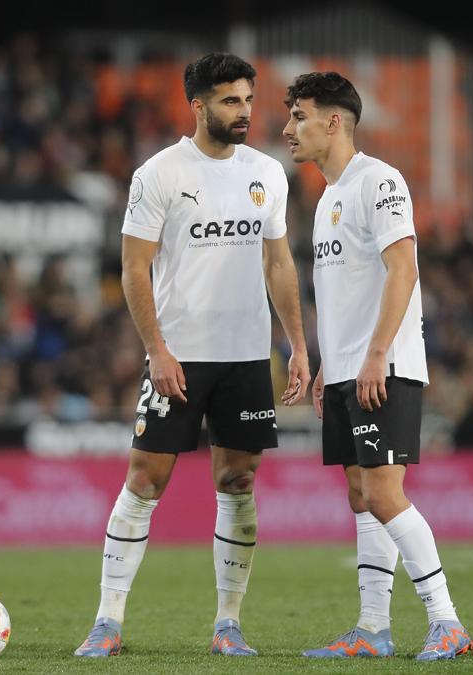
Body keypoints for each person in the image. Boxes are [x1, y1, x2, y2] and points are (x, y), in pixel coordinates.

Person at [74, 53, 310, 658]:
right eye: (231, 101)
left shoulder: (268, 173)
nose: (245, 113)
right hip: (178, 357)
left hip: (246, 358)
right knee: (145, 480)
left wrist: (297, 343)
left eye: (249, 101)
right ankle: (107, 622)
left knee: (238, 480)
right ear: (199, 105)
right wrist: (156, 350)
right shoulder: (158, 173)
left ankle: (228, 625)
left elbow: (278, 262)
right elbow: (133, 267)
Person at [282, 71, 473, 661]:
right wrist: (327, 367)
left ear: (333, 121)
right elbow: (346, 292)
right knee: (361, 497)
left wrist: (373, 356)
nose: (288, 128)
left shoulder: (379, 181)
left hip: (381, 367)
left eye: (299, 116)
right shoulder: (327, 199)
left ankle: (448, 624)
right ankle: (372, 630)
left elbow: (404, 270)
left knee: (385, 494)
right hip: (347, 371)